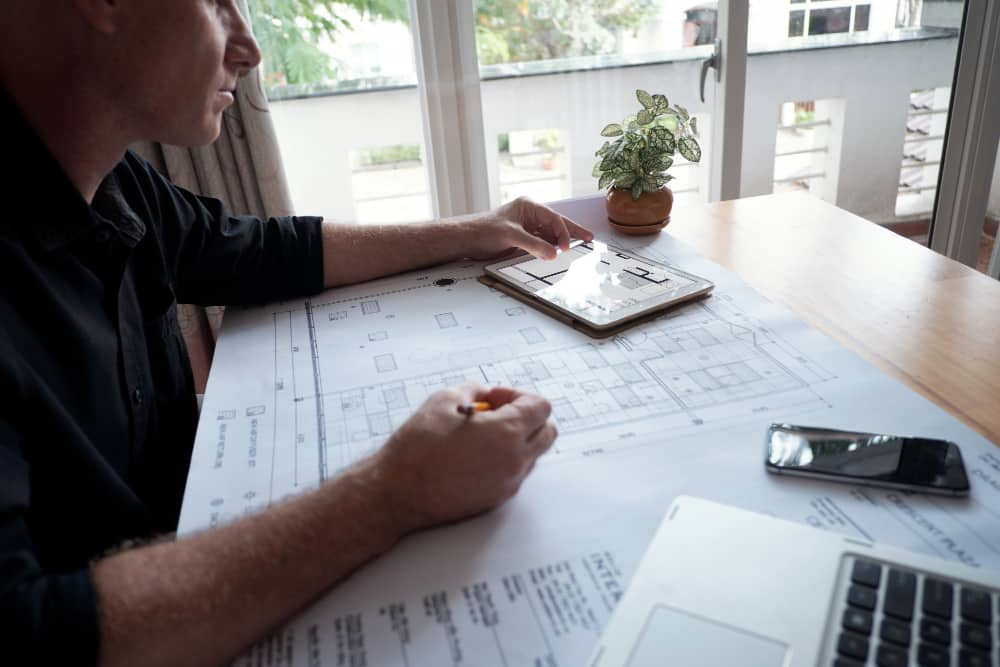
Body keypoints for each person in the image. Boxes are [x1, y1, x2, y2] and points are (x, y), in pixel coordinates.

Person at [0, 1, 593, 665]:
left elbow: (259, 251)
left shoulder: (114, 180)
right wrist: (393, 492)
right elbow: (31, 632)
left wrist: (470, 231)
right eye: (219, 5)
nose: (249, 50)